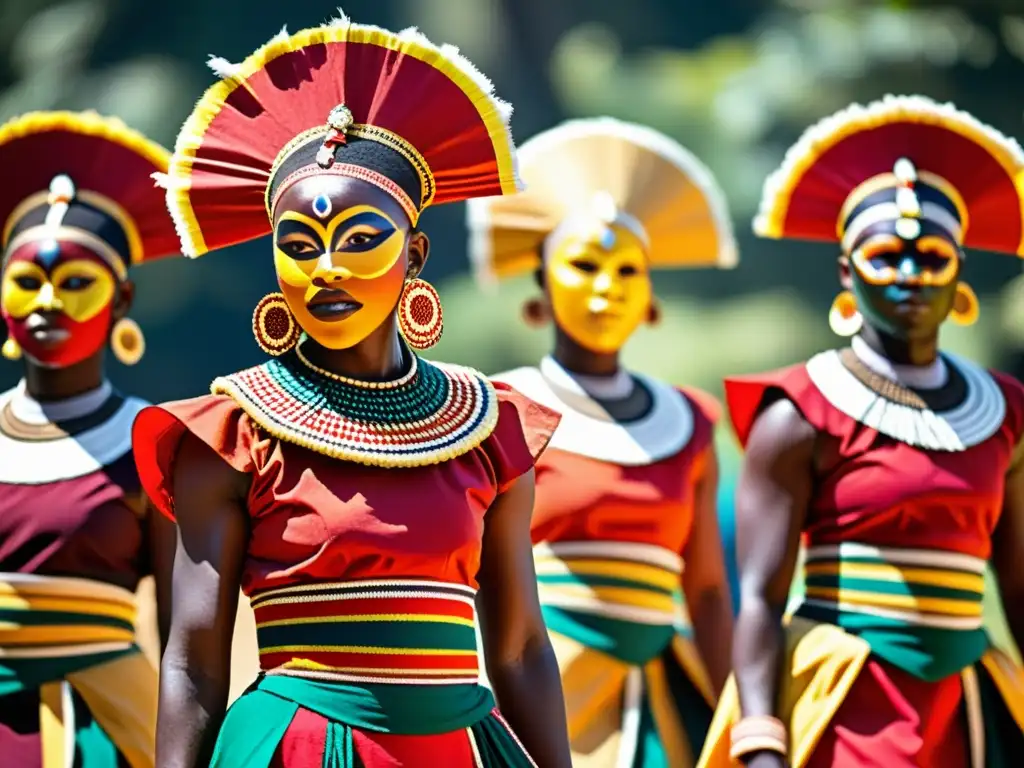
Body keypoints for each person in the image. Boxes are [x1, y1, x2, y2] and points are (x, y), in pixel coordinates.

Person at [131, 11, 572, 768]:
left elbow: (523, 647)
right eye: (299, 246)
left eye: (361, 239)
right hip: (296, 748)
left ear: (417, 253)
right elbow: (193, 663)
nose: (326, 268)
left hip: (462, 746)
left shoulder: (492, 427)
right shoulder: (229, 434)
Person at [698, 94, 1024, 768]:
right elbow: (758, 595)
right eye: (885, 257)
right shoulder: (798, 412)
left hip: (967, 707)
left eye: (931, 256)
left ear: (961, 270)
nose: (910, 275)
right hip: (844, 707)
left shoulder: (1006, 414)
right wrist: (760, 736)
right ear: (845, 271)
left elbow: (1019, 586)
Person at [468, 117, 738, 766]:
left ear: (649, 293)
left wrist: (744, 718)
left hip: (670, 698)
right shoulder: (498, 410)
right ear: (542, 282)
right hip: (540, 687)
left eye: (626, 270)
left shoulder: (692, 420)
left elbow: (705, 592)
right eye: (583, 264)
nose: (605, 286)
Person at [0, 111, 179, 767]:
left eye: (75, 283)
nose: (46, 302)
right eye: (26, 281)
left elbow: (183, 632)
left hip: (105, 727)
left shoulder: (155, 441)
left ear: (122, 299)